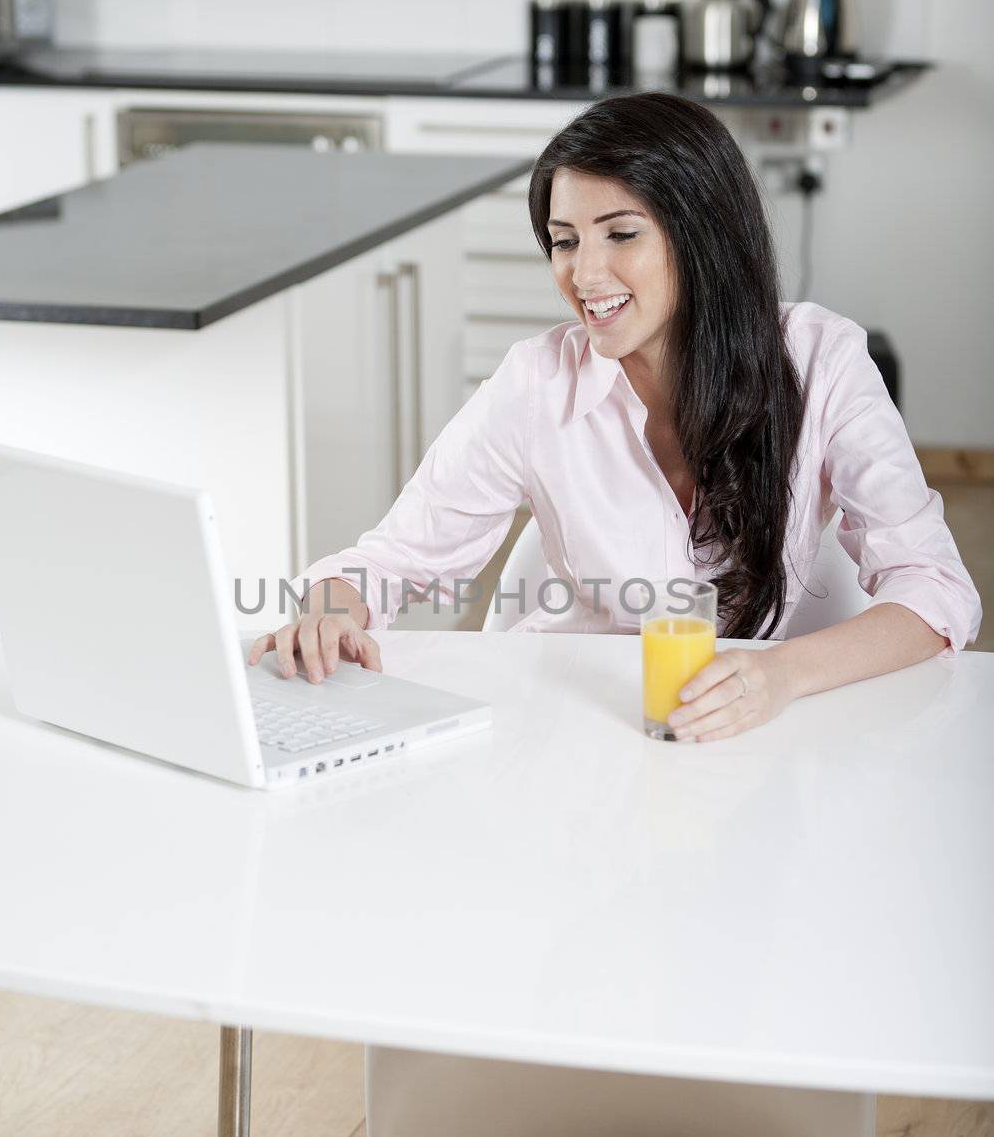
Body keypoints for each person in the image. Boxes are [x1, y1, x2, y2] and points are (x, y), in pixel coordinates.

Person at [248, 92, 981, 742]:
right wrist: (330, 609)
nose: (584, 275)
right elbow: (390, 561)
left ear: (702, 235)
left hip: (736, 735)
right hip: (566, 731)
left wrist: (780, 676)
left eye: (620, 234)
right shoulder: (534, 383)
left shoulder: (821, 361)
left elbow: (934, 588)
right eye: (564, 241)